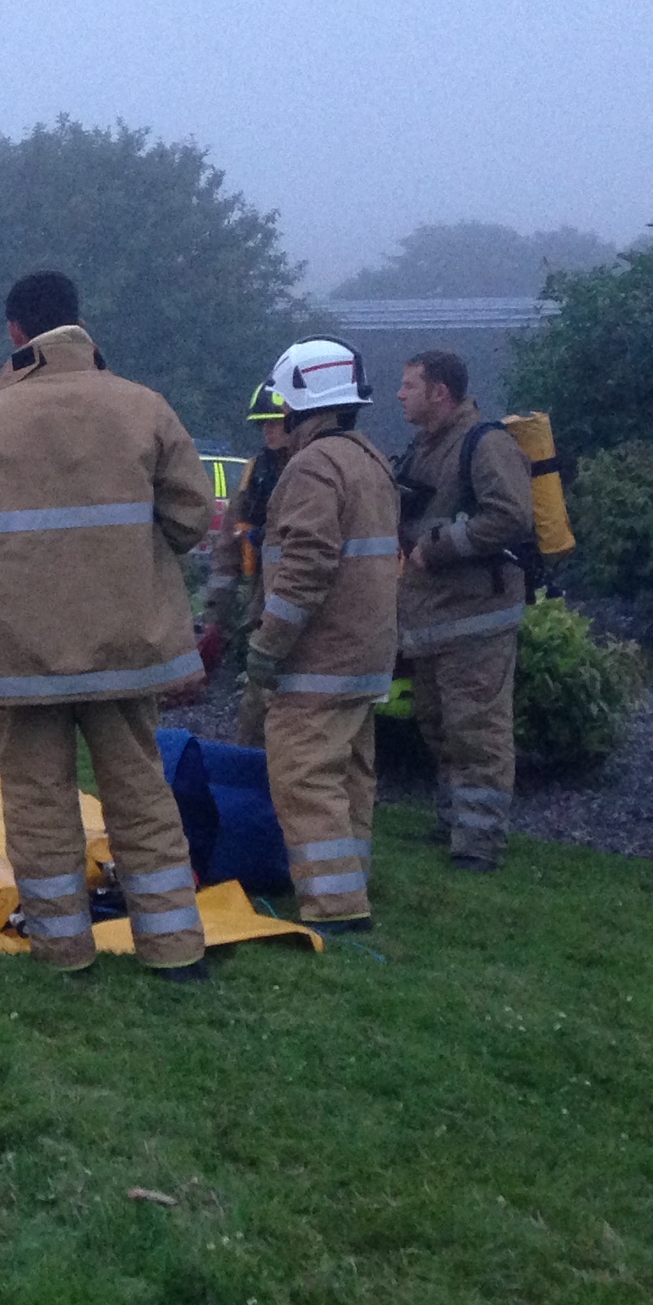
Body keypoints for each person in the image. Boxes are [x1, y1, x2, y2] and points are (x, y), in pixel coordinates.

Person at [0, 270, 214, 977]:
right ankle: (175, 949)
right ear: (80, 324)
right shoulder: (144, 408)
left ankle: (61, 950)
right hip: (127, 647)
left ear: (17, 334)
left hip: (18, 656)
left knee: (38, 800)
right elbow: (191, 515)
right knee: (140, 792)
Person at [244, 338, 402, 929]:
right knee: (350, 777)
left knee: (305, 779)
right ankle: (349, 882)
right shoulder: (371, 459)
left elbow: (306, 566)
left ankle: (334, 906)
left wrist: (267, 645)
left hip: (319, 660)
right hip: (366, 655)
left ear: (302, 400)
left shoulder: (314, 466)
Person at [391, 348, 533, 870]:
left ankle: (479, 844)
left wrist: (439, 546)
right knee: (438, 725)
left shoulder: (485, 443)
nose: (400, 394)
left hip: (477, 618)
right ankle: (455, 824)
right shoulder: (424, 447)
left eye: (409, 385)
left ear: (440, 392)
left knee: (477, 730)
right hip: (432, 619)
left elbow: (512, 516)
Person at [197, 381, 293, 747]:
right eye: (262, 424)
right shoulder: (257, 471)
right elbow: (228, 547)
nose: (267, 430)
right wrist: (216, 618)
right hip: (261, 609)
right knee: (254, 717)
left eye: (274, 422)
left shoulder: (317, 468)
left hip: (307, 615)